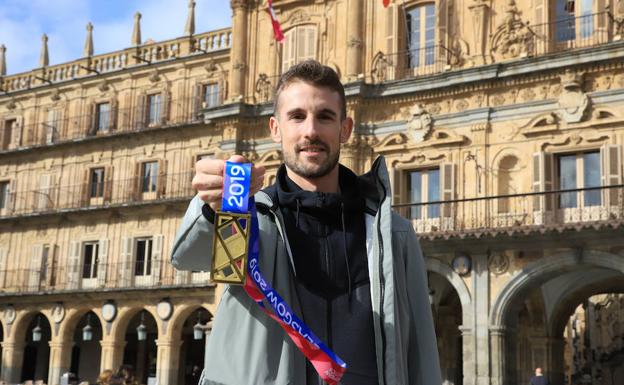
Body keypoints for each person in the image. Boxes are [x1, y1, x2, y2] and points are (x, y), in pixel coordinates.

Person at [171, 59, 441, 385]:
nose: (310, 130)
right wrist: (210, 208)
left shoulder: (394, 233)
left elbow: (420, 349)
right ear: (275, 129)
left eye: (325, 116)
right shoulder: (250, 217)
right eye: (297, 116)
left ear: (345, 129)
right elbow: (190, 257)